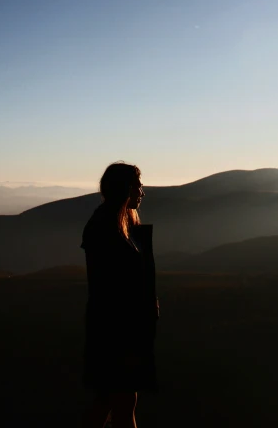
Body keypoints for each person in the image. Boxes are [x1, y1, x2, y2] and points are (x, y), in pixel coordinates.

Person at [80, 161, 159, 428]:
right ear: (125, 187)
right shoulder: (106, 227)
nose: (142, 192)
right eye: (139, 185)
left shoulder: (118, 224)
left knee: (110, 399)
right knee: (123, 401)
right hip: (116, 330)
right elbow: (110, 286)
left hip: (115, 328)